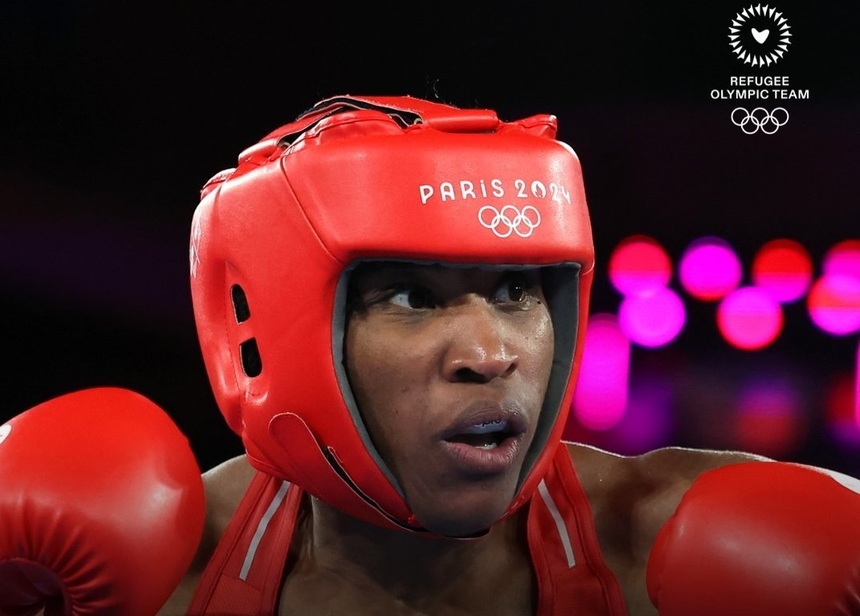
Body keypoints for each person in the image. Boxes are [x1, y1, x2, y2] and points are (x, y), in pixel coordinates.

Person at [1, 95, 859, 616]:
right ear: (274, 333)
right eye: (410, 298)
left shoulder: (660, 542)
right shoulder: (160, 575)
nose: (491, 354)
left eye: (518, 291)